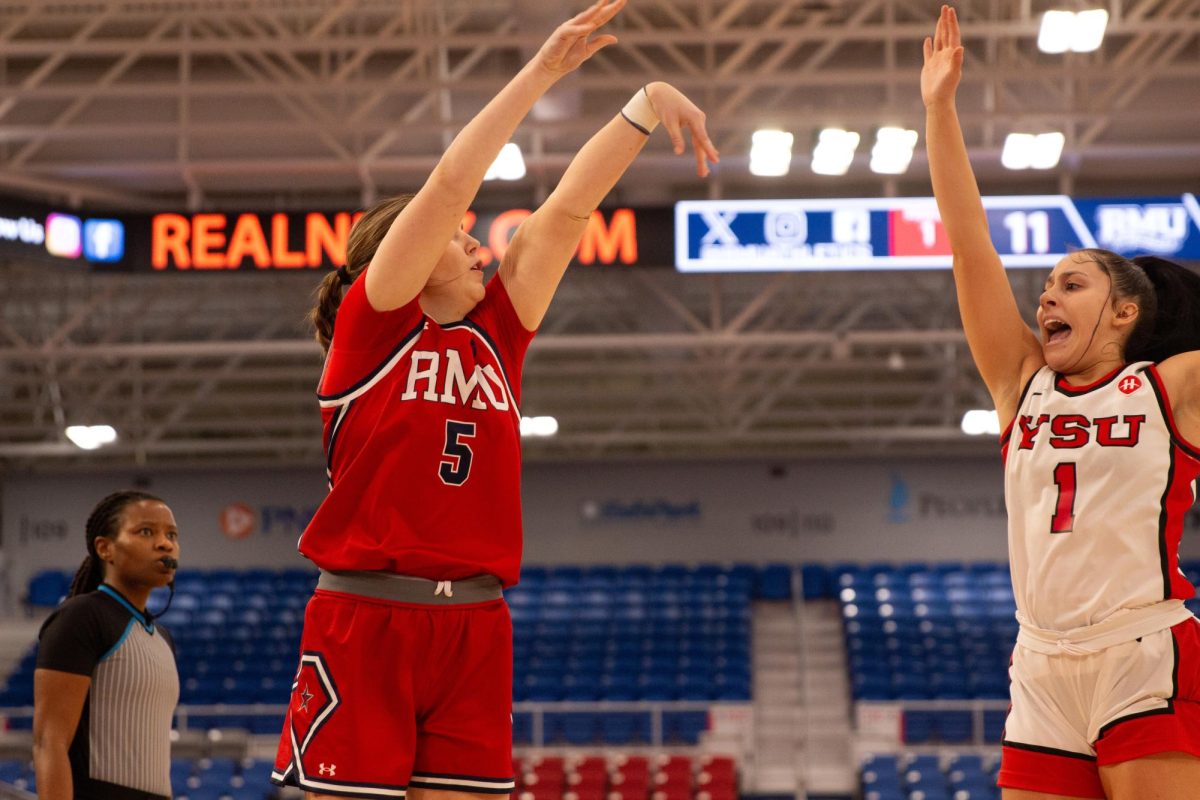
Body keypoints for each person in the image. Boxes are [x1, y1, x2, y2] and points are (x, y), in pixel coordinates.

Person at [269, 1, 718, 796]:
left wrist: (643, 106)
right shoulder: (372, 329)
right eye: (458, 235)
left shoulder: (497, 334)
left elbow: (567, 212)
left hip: (475, 621)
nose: (479, 242)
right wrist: (541, 73)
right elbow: (447, 186)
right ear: (398, 250)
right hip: (366, 617)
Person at [922, 6, 1200, 799]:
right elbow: (967, 237)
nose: (1046, 297)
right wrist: (939, 111)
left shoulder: (1170, 388)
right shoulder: (1021, 383)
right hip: (1040, 663)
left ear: (1124, 313)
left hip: (1142, 649)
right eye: (1043, 288)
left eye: (1070, 284)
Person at [33, 490, 181, 800]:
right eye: (146, 532)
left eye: (171, 534)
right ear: (105, 548)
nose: (165, 544)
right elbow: (50, 742)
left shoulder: (162, 637)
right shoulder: (81, 617)